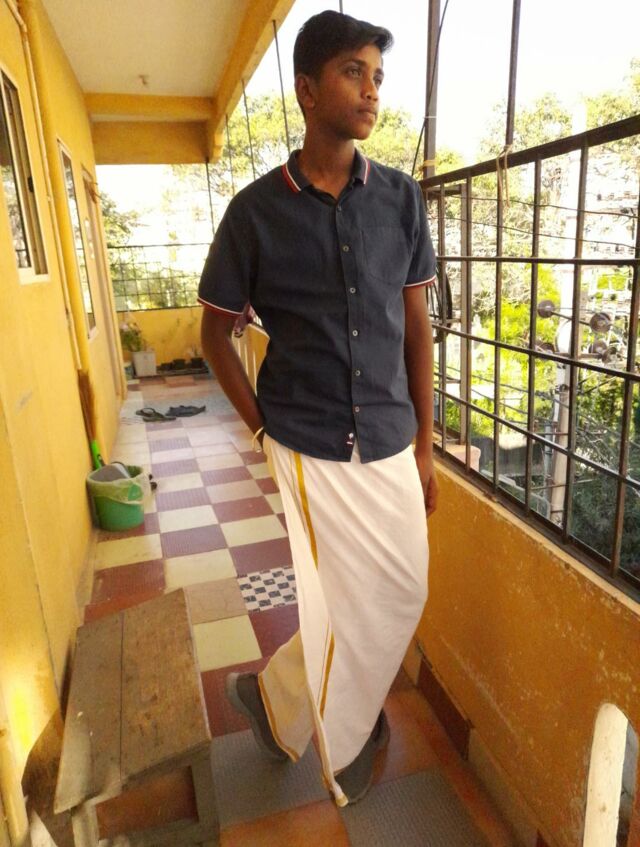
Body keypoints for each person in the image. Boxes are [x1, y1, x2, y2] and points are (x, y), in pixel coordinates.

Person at [198, 9, 438, 807]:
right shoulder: (254, 213)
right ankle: (348, 736)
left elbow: (416, 328)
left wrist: (426, 447)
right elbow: (214, 333)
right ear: (307, 90)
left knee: (400, 590)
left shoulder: (400, 200)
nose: (371, 91)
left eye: (378, 76)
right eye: (353, 72)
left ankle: (271, 698)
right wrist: (262, 428)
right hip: (305, 439)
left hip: (392, 437)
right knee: (340, 598)